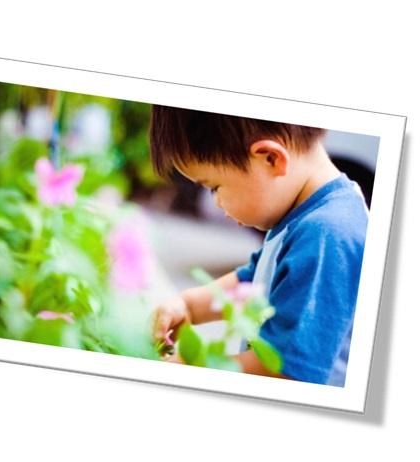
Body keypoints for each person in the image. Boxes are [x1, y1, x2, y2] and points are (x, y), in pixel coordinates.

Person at [149, 105, 368, 386]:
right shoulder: (303, 216)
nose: (216, 203)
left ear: (270, 159)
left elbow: (285, 371)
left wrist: (191, 366)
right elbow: (254, 285)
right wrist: (189, 306)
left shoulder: (328, 233)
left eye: (215, 187)